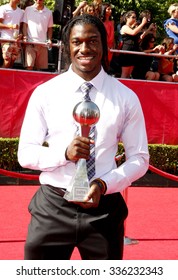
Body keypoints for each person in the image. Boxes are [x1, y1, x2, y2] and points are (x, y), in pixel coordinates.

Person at [18, 14, 149, 260]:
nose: (84, 48)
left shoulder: (126, 98)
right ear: (68, 46)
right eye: (77, 42)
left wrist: (103, 184)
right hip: (52, 207)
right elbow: (25, 152)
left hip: (104, 209)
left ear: (104, 45)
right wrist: (63, 154)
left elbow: (140, 159)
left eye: (92, 41)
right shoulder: (45, 93)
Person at [22, 0, 53, 71]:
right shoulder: (28, 9)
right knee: (29, 67)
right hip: (30, 43)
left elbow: (50, 28)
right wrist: (25, 36)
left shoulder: (49, 12)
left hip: (43, 45)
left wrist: (49, 39)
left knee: (39, 70)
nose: (39, 0)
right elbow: (25, 25)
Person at [119, 10, 147, 78]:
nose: (134, 19)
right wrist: (142, 24)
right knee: (125, 74)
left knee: (129, 74)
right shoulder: (124, 27)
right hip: (126, 52)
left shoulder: (134, 28)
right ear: (127, 18)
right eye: (133, 17)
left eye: (135, 17)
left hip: (133, 51)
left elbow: (137, 39)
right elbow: (133, 33)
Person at [0, 0, 24, 68]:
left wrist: (21, 35)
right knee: (7, 61)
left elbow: (21, 27)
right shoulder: (3, 8)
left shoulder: (20, 12)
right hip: (5, 39)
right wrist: (10, 26)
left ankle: (5, 78)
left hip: (16, 40)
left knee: (12, 62)